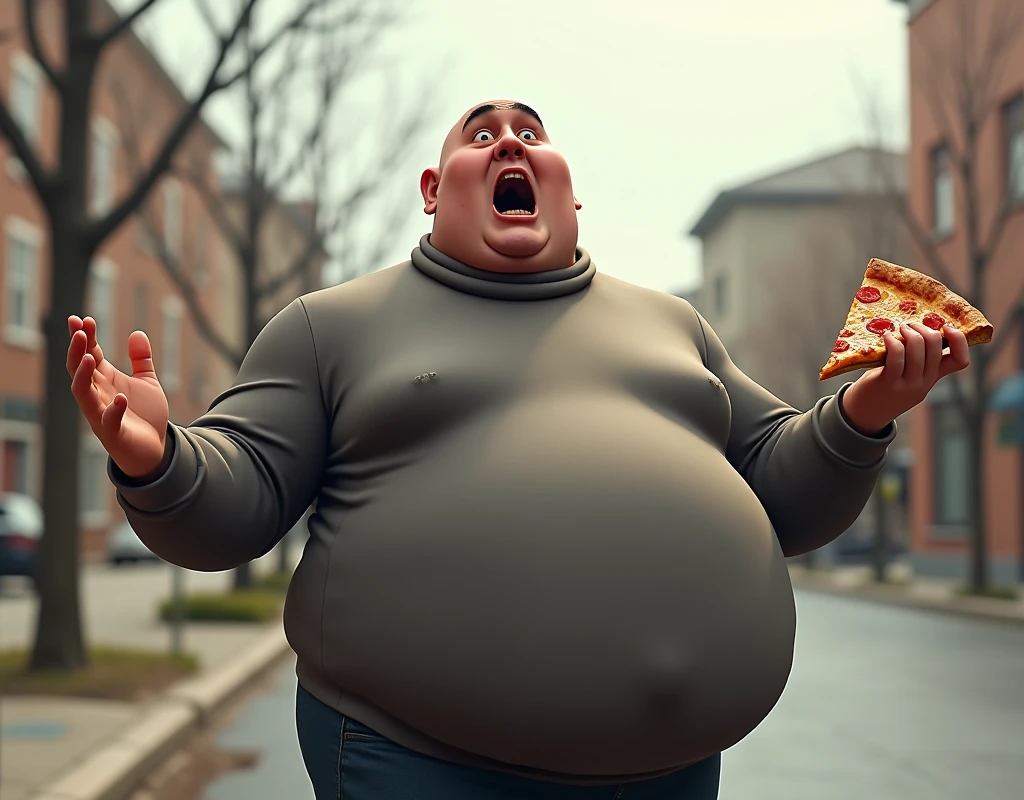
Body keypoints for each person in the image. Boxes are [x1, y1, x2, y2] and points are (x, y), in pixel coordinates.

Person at [67, 100, 970, 799]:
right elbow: (239, 501)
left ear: (569, 191)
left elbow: (784, 487)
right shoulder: (329, 327)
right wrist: (159, 460)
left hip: (672, 769)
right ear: (432, 188)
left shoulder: (671, 323)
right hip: (417, 755)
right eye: (481, 134)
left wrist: (861, 413)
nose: (509, 142)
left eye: (530, 131)